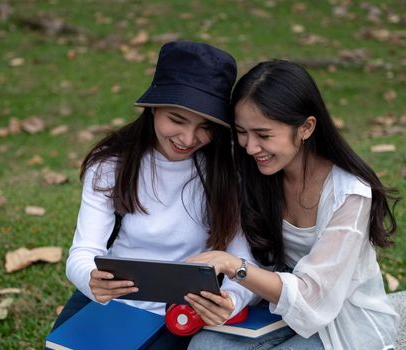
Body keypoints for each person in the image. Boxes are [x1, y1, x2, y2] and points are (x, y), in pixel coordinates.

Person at [51, 41, 255, 348]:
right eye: (176, 119)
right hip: (113, 301)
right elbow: (82, 252)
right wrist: (92, 279)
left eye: (205, 126)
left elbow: (244, 261)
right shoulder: (111, 164)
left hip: (183, 311)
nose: (188, 139)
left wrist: (233, 301)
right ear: (154, 107)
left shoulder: (229, 172)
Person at [186, 60, 400, 350]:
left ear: (306, 128)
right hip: (281, 310)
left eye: (263, 135)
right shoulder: (258, 172)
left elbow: (314, 296)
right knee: (205, 346)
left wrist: (234, 266)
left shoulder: (349, 195)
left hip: (343, 321)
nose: (250, 147)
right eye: (242, 132)